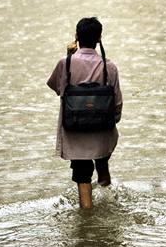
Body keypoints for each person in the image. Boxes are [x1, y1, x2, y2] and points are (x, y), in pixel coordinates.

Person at [47, 17, 123, 209]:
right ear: (99, 38)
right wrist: (110, 122)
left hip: (75, 131)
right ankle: (108, 204)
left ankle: (87, 216)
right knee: (102, 164)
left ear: (76, 37)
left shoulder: (65, 63)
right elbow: (117, 103)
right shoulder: (110, 66)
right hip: (102, 131)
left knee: (83, 175)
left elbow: (58, 88)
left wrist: (68, 56)